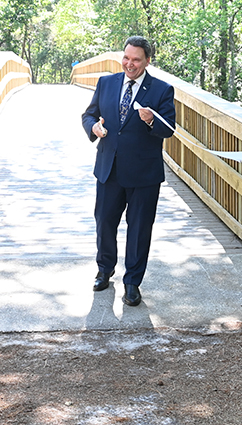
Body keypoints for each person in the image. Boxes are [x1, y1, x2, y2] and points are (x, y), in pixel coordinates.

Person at [81, 36, 176, 306]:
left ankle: (133, 282)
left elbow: (168, 129)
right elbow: (88, 115)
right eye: (126, 57)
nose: (129, 64)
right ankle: (105, 269)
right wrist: (94, 128)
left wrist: (151, 121)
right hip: (108, 168)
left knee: (139, 229)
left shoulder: (161, 90)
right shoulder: (106, 83)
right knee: (104, 223)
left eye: (136, 59)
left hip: (143, 173)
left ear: (147, 61)